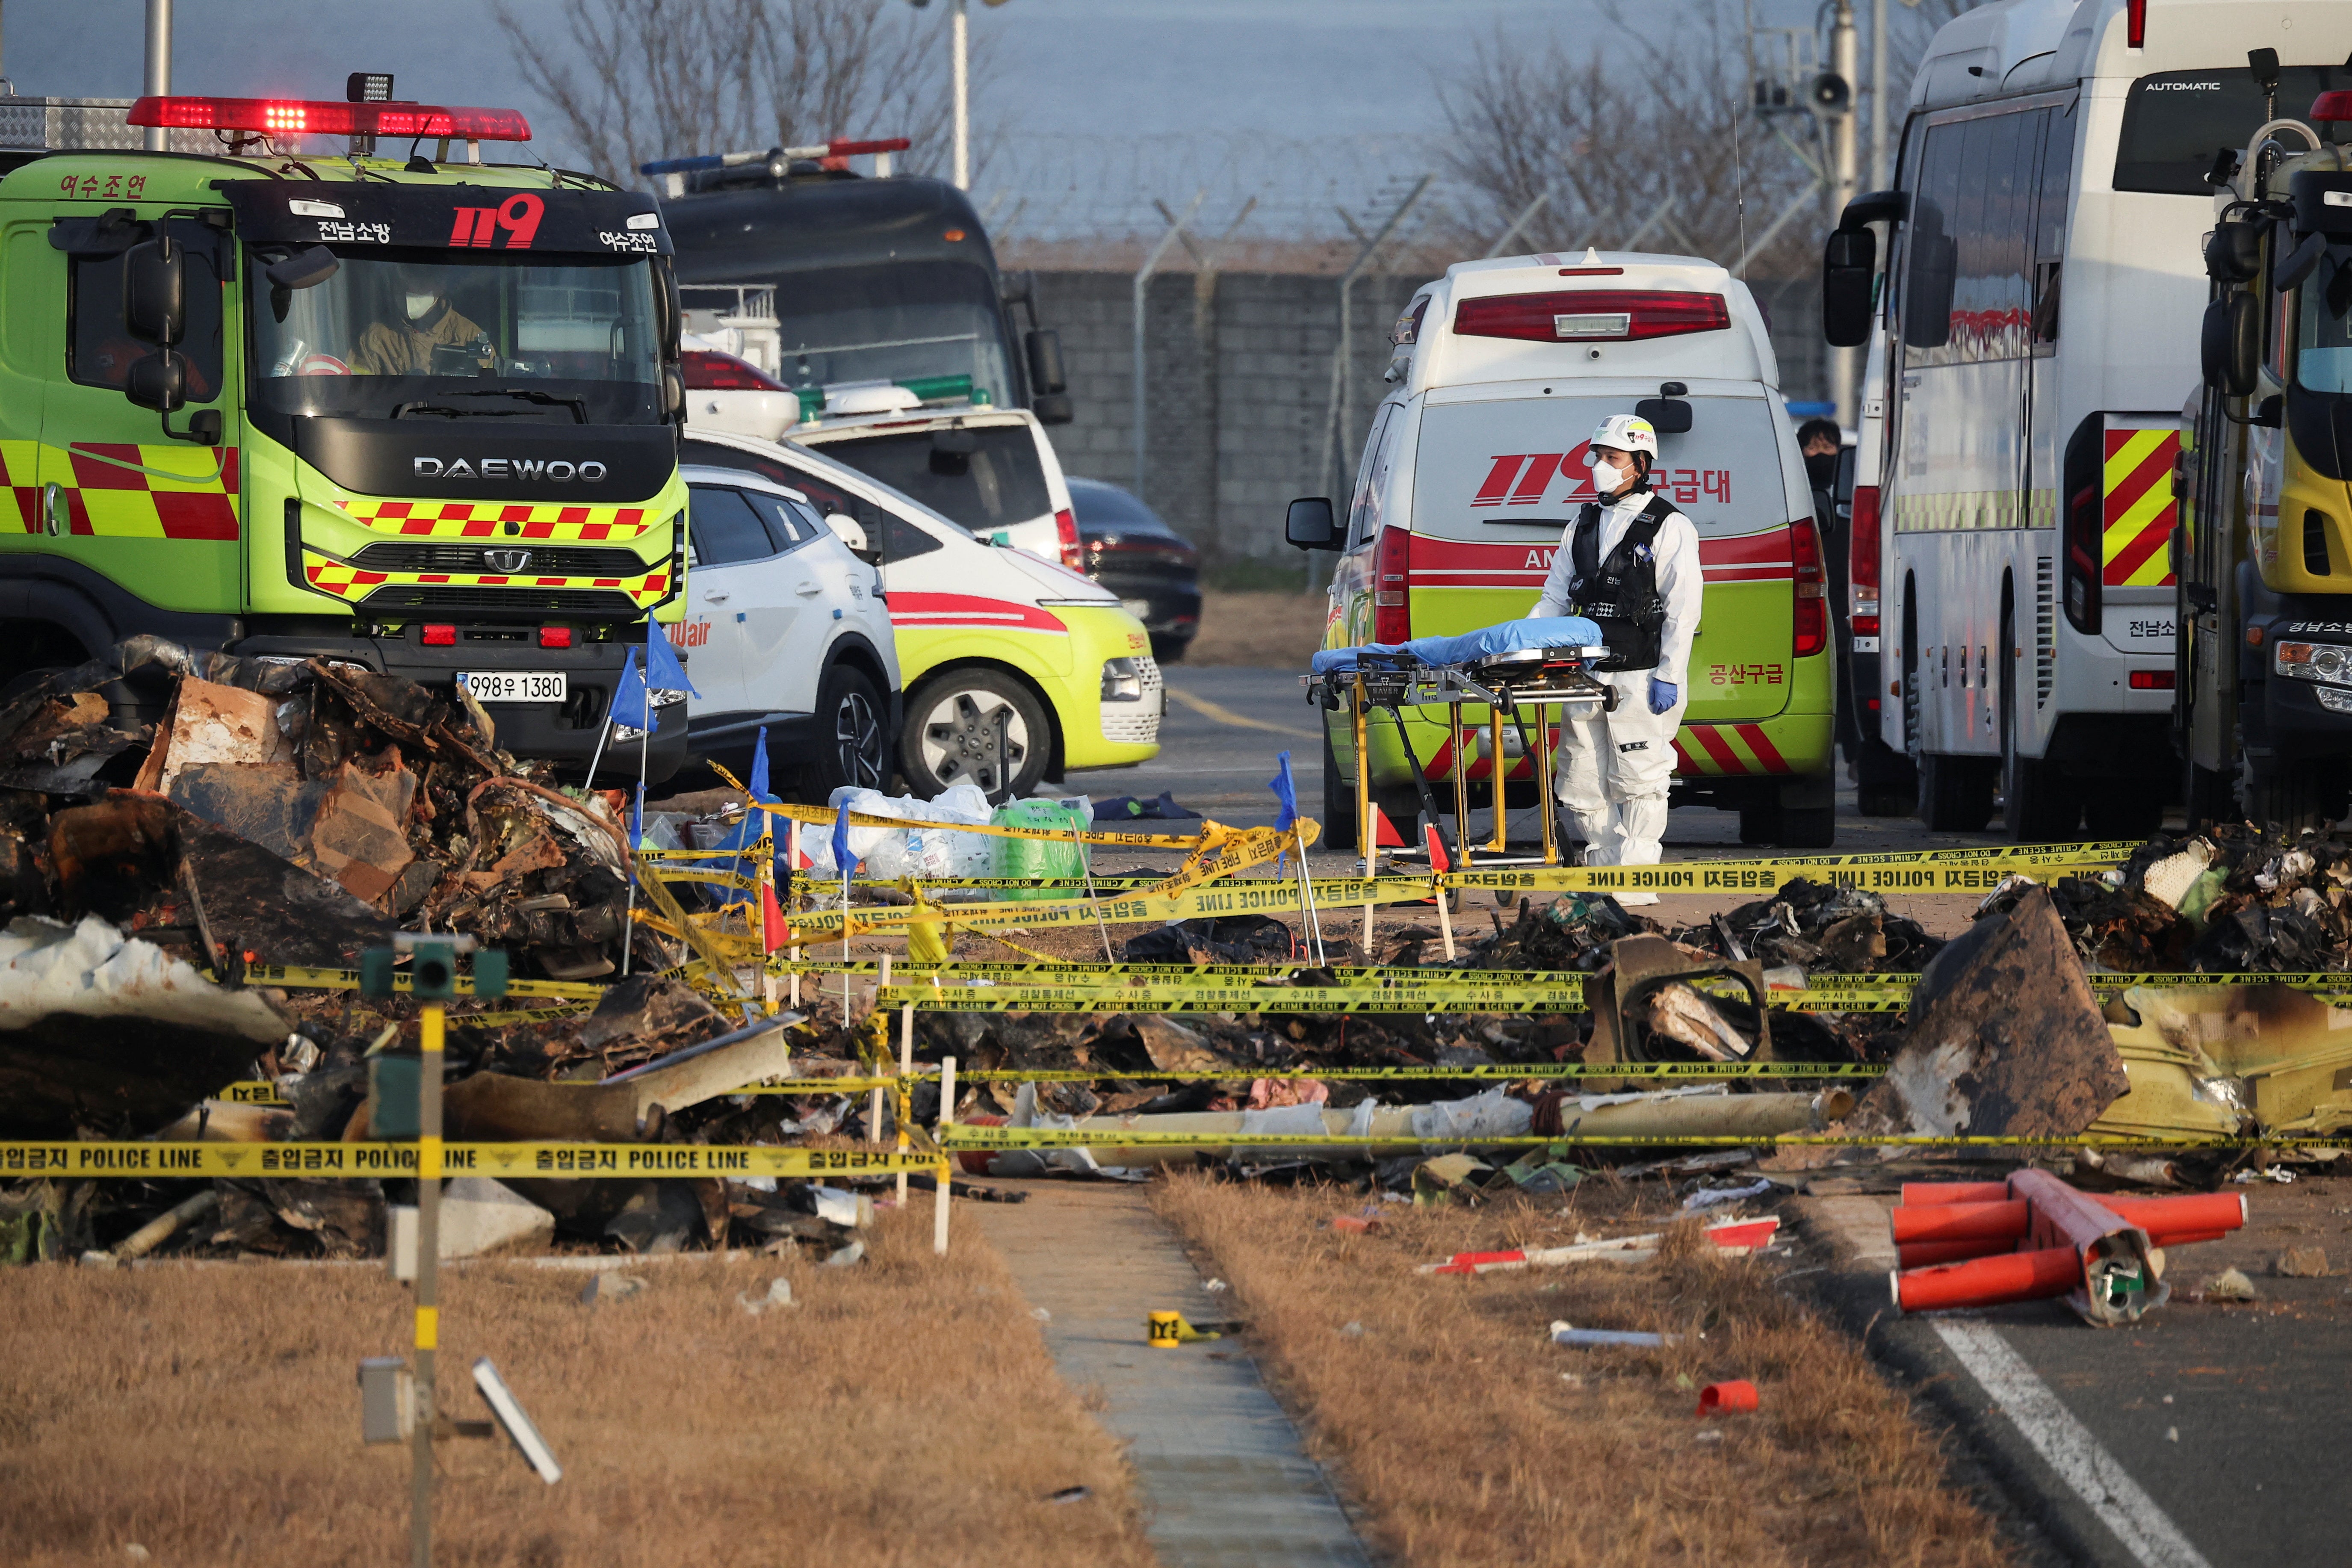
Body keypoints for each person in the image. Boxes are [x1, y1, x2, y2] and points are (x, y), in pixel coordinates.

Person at [1531, 413, 1703, 905]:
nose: (1600, 467)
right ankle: (1604, 873)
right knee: (1582, 779)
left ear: (1641, 465)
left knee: (1641, 780)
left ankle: (1635, 879)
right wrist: (1523, 646)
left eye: (1612, 459)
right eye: (1597, 457)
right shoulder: (1583, 524)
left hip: (1642, 673)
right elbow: (1554, 598)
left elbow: (1683, 607)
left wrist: (1669, 674)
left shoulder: (1669, 526)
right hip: (1585, 674)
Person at [351, 266, 490, 376]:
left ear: (441, 285)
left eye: (420, 279)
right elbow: (357, 392)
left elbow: (487, 394)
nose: (410, 288)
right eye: (404, 278)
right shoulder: (375, 338)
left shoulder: (471, 337)